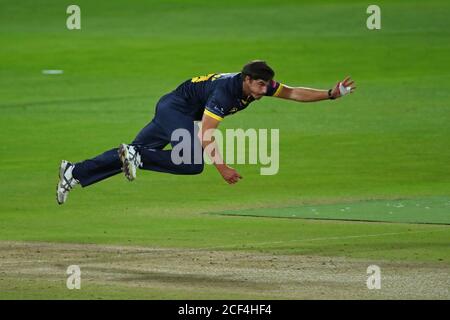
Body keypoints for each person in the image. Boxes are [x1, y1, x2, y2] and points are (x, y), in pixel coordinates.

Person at [56, 60, 356, 204]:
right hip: (175, 110)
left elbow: (292, 94)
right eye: (261, 85)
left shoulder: (257, 85)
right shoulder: (225, 93)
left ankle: (75, 172)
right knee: (192, 163)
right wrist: (223, 168)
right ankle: (140, 156)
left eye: (268, 85)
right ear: (247, 79)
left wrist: (331, 94)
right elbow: (207, 133)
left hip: (176, 109)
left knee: (129, 154)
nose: (265, 90)